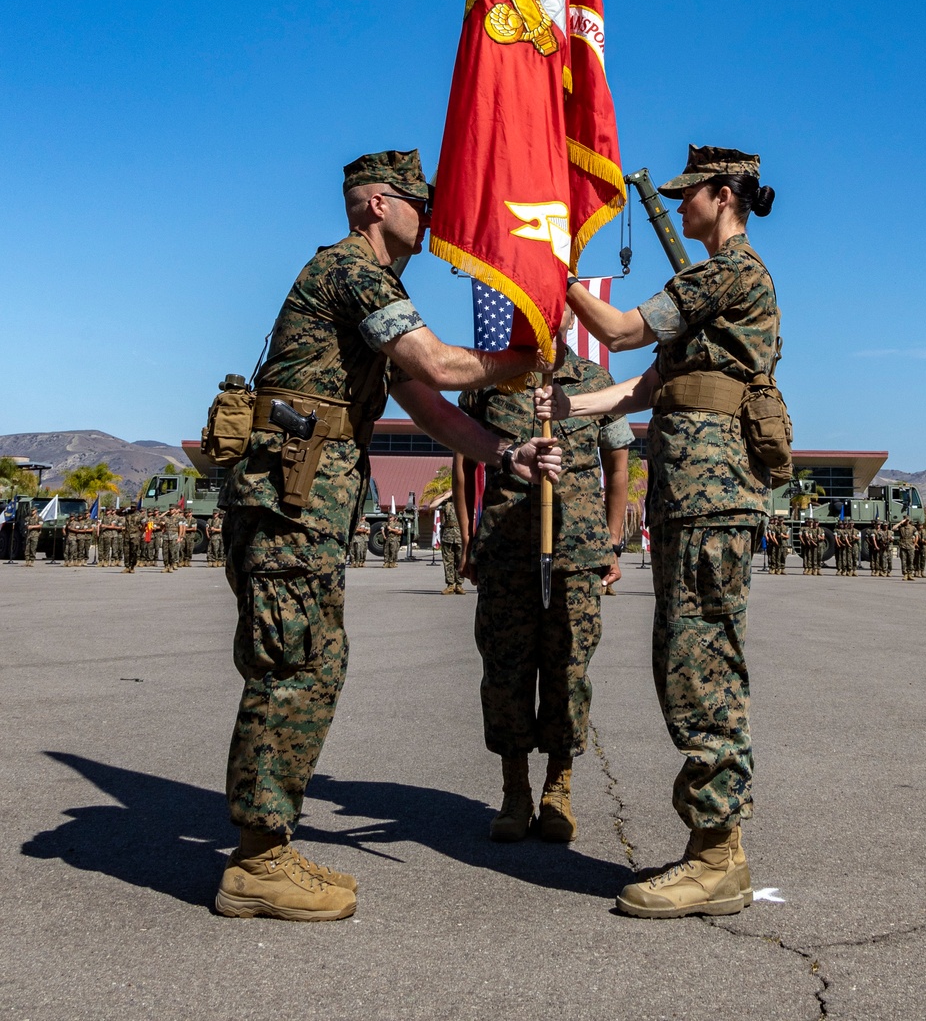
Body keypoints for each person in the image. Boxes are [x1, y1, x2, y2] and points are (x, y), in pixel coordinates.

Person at [214, 149, 561, 923]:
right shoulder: (350, 271)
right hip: (287, 504)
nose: (430, 216)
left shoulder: (376, 289)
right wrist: (528, 353)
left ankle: (266, 845)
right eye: (417, 202)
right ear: (377, 203)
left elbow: (429, 409)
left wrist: (505, 452)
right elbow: (434, 364)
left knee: (313, 662)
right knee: (291, 664)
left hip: (307, 504)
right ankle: (256, 859)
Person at [536, 144, 778, 919]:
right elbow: (645, 385)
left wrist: (552, 272)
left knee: (700, 664)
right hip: (691, 497)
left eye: (687, 196)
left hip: (711, 498)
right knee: (686, 657)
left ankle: (716, 856)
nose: (678, 208)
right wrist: (571, 408)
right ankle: (713, 848)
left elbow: (621, 327)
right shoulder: (717, 284)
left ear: (721, 194)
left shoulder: (728, 271)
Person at [455, 307, 631, 845]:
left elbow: (618, 463)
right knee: (505, 672)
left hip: (576, 552)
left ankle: (559, 789)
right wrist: (468, 538)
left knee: (568, 670)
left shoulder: (594, 384)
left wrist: (612, 540)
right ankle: (515, 792)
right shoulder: (488, 377)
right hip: (506, 550)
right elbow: (464, 458)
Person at [438, 498, 464, 595]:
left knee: (460, 560)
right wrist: (445, 494)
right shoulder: (446, 503)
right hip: (447, 536)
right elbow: (432, 505)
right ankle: (450, 585)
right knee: (448, 561)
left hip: (460, 536)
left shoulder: (464, 501)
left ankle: (459, 585)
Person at [122, 508, 144, 574]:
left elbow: (144, 525)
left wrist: (140, 534)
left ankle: (132, 566)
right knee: (126, 551)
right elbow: (118, 512)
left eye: (134, 507)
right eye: (131, 507)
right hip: (127, 535)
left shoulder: (140, 516)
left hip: (135, 535)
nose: (132, 508)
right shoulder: (127, 514)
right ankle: (127, 567)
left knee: (134, 551)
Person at [896, 515, 917, 581]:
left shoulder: (913, 527)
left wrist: (915, 544)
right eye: (905, 520)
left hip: (910, 545)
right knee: (904, 561)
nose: (906, 522)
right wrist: (900, 522)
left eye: (907, 520)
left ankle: (910, 574)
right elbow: (893, 528)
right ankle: (905, 574)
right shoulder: (901, 527)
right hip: (903, 545)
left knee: (911, 560)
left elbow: (916, 535)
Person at [161, 508, 181, 573]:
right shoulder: (165, 518)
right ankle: (166, 566)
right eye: (170, 509)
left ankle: (171, 566)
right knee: (165, 552)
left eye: (172, 509)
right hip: (166, 536)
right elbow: (161, 526)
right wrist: (162, 525)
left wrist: (179, 537)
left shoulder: (178, 518)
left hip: (174, 536)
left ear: (175, 510)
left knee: (172, 552)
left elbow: (180, 528)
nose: (170, 511)